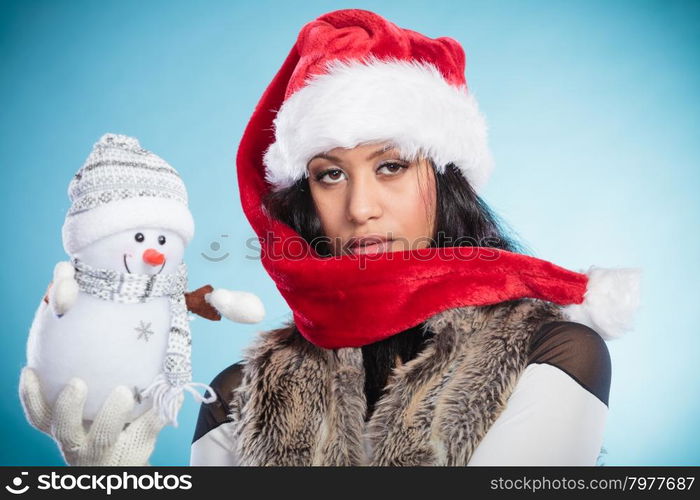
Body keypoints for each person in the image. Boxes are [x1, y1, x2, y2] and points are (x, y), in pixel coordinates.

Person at [190, 9, 640, 466]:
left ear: (447, 181)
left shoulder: (552, 353)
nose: (360, 208)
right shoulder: (237, 397)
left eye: (392, 166)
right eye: (330, 175)